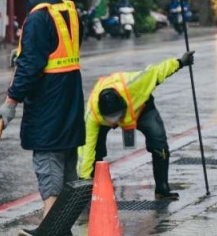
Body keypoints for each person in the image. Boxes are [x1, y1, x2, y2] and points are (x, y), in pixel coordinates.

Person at [0, 0, 85, 236]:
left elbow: (32, 65)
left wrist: (11, 101)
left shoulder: (37, 17)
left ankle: (50, 229)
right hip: (71, 96)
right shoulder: (68, 10)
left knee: (48, 160)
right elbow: (53, 51)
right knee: (67, 160)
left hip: (48, 101)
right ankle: (64, 225)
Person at [79, 53, 195, 200]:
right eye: (111, 119)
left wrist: (181, 62)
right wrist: (83, 181)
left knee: (159, 144)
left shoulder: (136, 84)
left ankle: (162, 189)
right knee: (95, 150)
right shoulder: (93, 115)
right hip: (107, 117)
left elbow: (158, 72)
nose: (116, 121)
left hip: (141, 109)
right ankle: (95, 189)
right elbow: (86, 150)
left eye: (118, 116)